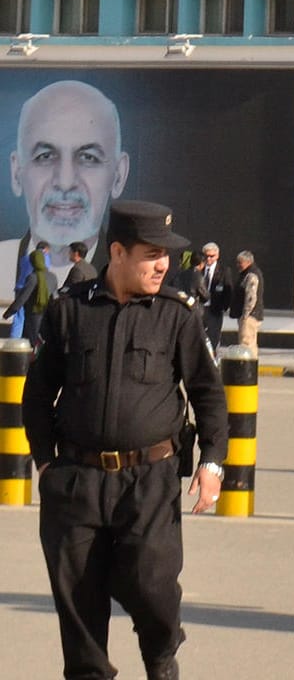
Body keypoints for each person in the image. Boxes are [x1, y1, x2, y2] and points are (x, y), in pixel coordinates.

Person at [22, 200, 227, 680]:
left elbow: (208, 396)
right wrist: (47, 463)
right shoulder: (69, 311)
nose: (163, 265)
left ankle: (160, 655)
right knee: (79, 601)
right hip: (76, 481)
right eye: (152, 254)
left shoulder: (177, 316)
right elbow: (36, 394)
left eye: (168, 256)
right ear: (117, 252)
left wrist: (212, 462)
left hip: (149, 482)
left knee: (152, 585)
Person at [4, 80, 129, 308]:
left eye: (88, 157)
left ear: (119, 175)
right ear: (16, 172)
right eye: (45, 156)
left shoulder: (128, 272)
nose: (64, 182)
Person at [4, 245, 55, 343]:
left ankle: (14, 339)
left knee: (19, 316)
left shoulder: (26, 257)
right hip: (35, 290)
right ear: (45, 249)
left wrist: (8, 313)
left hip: (20, 287)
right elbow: (45, 273)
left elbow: (22, 268)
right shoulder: (45, 259)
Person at [191, 242, 233, 355]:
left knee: (213, 337)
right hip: (200, 308)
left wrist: (224, 307)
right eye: (206, 256)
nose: (209, 259)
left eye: (212, 256)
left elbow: (228, 290)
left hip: (215, 309)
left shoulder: (224, 270)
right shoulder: (199, 269)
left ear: (217, 256)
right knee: (197, 335)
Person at [231, 250, 264, 356]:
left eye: (240, 262)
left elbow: (251, 297)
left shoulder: (251, 275)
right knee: (251, 344)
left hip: (249, 316)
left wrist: (245, 315)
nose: (238, 265)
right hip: (251, 315)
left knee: (246, 344)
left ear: (248, 262)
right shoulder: (247, 273)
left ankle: (247, 369)